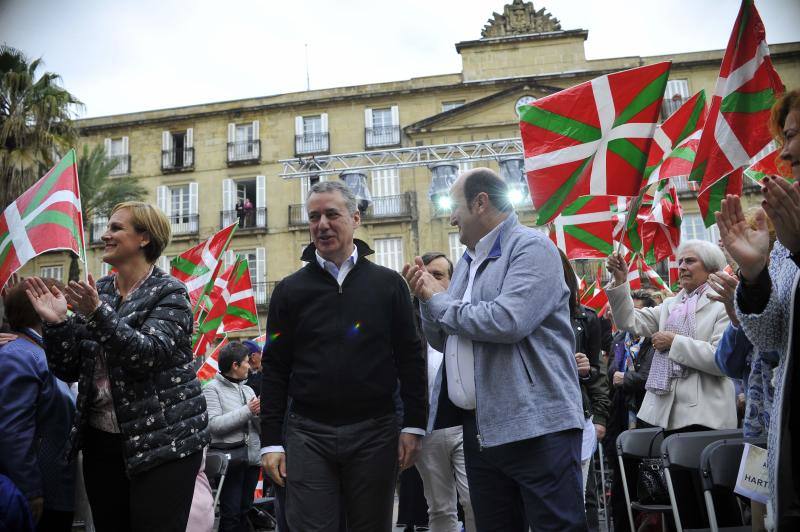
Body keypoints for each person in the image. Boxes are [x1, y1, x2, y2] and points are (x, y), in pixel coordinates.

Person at [404, 168, 586, 531]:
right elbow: (446, 338)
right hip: (481, 429)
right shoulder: (467, 264)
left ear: (480, 202)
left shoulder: (531, 247)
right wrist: (426, 301)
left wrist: (439, 303)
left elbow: (507, 320)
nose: (451, 217)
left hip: (536, 425)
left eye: (455, 207)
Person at [24, 201, 208, 532]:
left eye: (116, 228)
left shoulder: (170, 292)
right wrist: (57, 325)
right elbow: (68, 369)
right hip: (102, 444)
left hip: (164, 444)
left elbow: (146, 356)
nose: (105, 235)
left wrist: (97, 314)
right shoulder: (100, 292)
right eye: (107, 227)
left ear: (144, 239)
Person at [260, 180, 427, 532]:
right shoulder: (289, 291)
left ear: (355, 218)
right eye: (314, 216)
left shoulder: (389, 285)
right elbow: (274, 368)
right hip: (307, 434)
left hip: (376, 432)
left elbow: (411, 358)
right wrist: (271, 442)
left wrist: (414, 425)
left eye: (332, 214)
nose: (322, 224)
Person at [716, 88, 800, 529]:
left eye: (795, 135)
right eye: (784, 136)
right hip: (783, 431)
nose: (784, 151)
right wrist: (753, 277)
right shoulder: (786, 239)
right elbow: (769, 341)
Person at [605, 241, 735, 432]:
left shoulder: (725, 304)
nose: (681, 267)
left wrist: (674, 342)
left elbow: (722, 360)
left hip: (706, 416)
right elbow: (628, 321)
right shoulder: (671, 305)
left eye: (690, 261)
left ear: (711, 267)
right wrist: (620, 280)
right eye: (680, 261)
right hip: (666, 414)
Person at [0, 279, 76, 532]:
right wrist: (31, 490)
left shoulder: (43, 353)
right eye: (65, 304)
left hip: (54, 491)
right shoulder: (20, 356)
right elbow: (14, 431)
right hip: (37, 497)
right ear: (41, 306)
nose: (70, 312)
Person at [412, 252, 475, 532]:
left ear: (452, 280)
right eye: (425, 274)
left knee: (474, 500)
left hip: (466, 424)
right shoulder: (408, 322)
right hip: (427, 428)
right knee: (439, 507)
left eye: (438, 275)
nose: (429, 280)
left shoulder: (466, 315)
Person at [604, 290, 656, 532]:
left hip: (647, 424)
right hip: (620, 422)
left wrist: (626, 378)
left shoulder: (656, 341)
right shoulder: (618, 340)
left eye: (636, 312)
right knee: (620, 491)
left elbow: (651, 377)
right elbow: (609, 374)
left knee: (649, 490)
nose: (630, 318)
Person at [203, 341, 261, 532]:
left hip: (252, 460)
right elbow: (214, 425)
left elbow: (259, 427)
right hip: (230, 463)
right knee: (231, 515)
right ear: (235, 365)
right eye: (246, 361)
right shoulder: (212, 389)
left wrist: (261, 414)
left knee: (245, 511)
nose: (250, 365)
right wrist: (248, 410)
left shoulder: (248, 389)